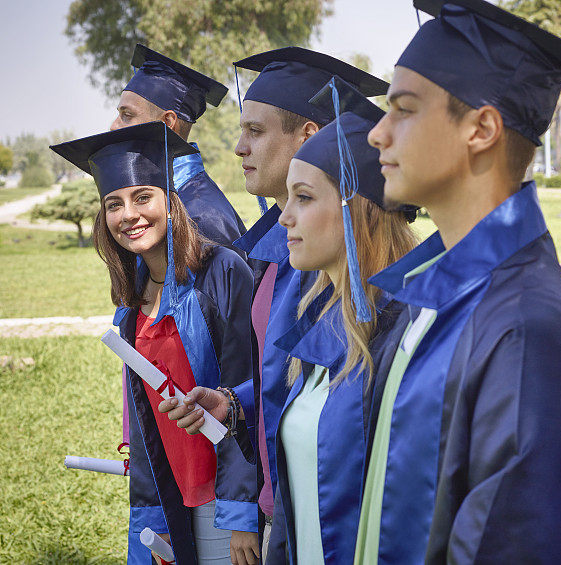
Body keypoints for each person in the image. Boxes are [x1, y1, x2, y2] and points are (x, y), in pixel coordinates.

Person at [355, 1, 561, 562]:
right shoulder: (431, 295)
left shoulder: (528, 332)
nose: (377, 134)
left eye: (403, 109)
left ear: (482, 128)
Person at [160, 48, 389, 558]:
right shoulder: (272, 254)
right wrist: (235, 401)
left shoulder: (340, 269)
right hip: (281, 502)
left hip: (324, 510)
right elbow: (289, 379)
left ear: (308, 135)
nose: (239, 147)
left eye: (256, 132)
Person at [51, 122, 259, 565]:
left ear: (171, 201)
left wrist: (241, 512)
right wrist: (148, 517)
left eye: (142, 197)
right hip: (167, 496)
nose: (128, 215)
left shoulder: (222, 271)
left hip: (220, 497)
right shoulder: (130, 301)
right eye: (114, 204)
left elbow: (247, 390)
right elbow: (145, 422)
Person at [266, 79, 417, 564]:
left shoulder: (409, 329)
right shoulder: (320, 317)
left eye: (304, 198)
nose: (285, 216)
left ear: (358, 213)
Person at [110, 43, 246, 246]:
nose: (113, 127)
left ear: (167, 123)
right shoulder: (158, 199)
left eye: (127, 115)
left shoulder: (203, 217)